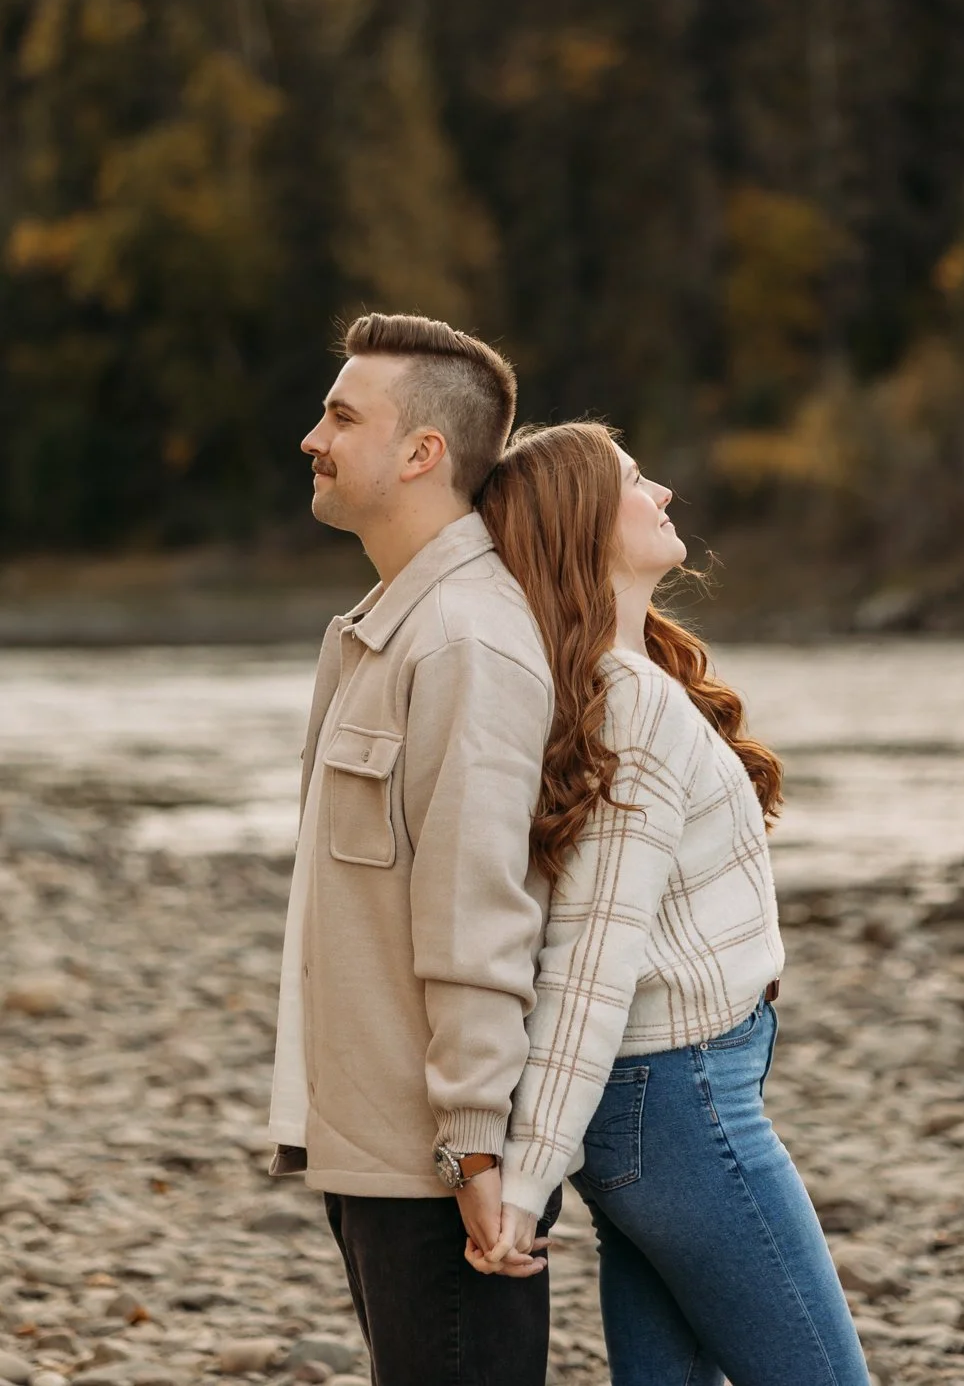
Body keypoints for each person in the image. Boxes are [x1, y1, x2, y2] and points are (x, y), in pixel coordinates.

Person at [470, 421, 871, 1386]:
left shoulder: (621, 682)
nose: (662, 494)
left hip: (663, 1103)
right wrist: (524, 1180)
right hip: (679, 1105)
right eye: (636, 480)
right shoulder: (631, 705)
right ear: (584, 527)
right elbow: (590, 959)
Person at [267, 313, 559, 1386]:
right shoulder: (378, 631)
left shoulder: (466, 641)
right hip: (375, 1145)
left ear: (422, 452)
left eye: (342, 417)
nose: (313, 438)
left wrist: (473, 1146)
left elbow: (479, 913)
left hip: (437, 1161)